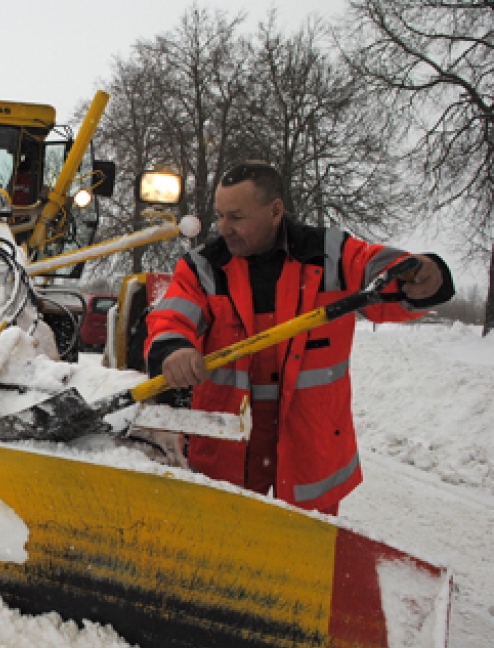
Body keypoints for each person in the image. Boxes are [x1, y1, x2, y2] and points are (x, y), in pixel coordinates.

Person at [144, 161, 454, 515]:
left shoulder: (330, 255)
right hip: (229, 443)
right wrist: (174, 349)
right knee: (225, 535)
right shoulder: (204, 267)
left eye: (237, 217)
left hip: (310, 445)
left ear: (275, 210)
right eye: (220, 215)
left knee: (305, 545)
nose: (224, 228)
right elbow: (172, 316)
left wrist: (424, 274)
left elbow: (383, 273)